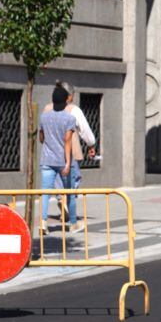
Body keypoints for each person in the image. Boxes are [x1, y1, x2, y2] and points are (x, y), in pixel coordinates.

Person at [53, 81, 96, 233]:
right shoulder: (73, 110)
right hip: (70, 150)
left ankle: (60, 199)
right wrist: (91, 144)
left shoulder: (49, 108)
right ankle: (71, 218)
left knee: (58, 179)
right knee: (74, 179)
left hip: (51, 152)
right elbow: (84, 129)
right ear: (69, 96)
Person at [38, 85, 77, 235]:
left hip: (47, 160)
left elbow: (41, 138)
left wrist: (48, 140)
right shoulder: (69, 118)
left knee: (45, 193)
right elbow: (67, 141)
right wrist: (67, 163)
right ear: (66, 101)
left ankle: (43, 222)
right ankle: (73, 223)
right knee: (69, 193)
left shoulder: (44, 117)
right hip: (63, 161)